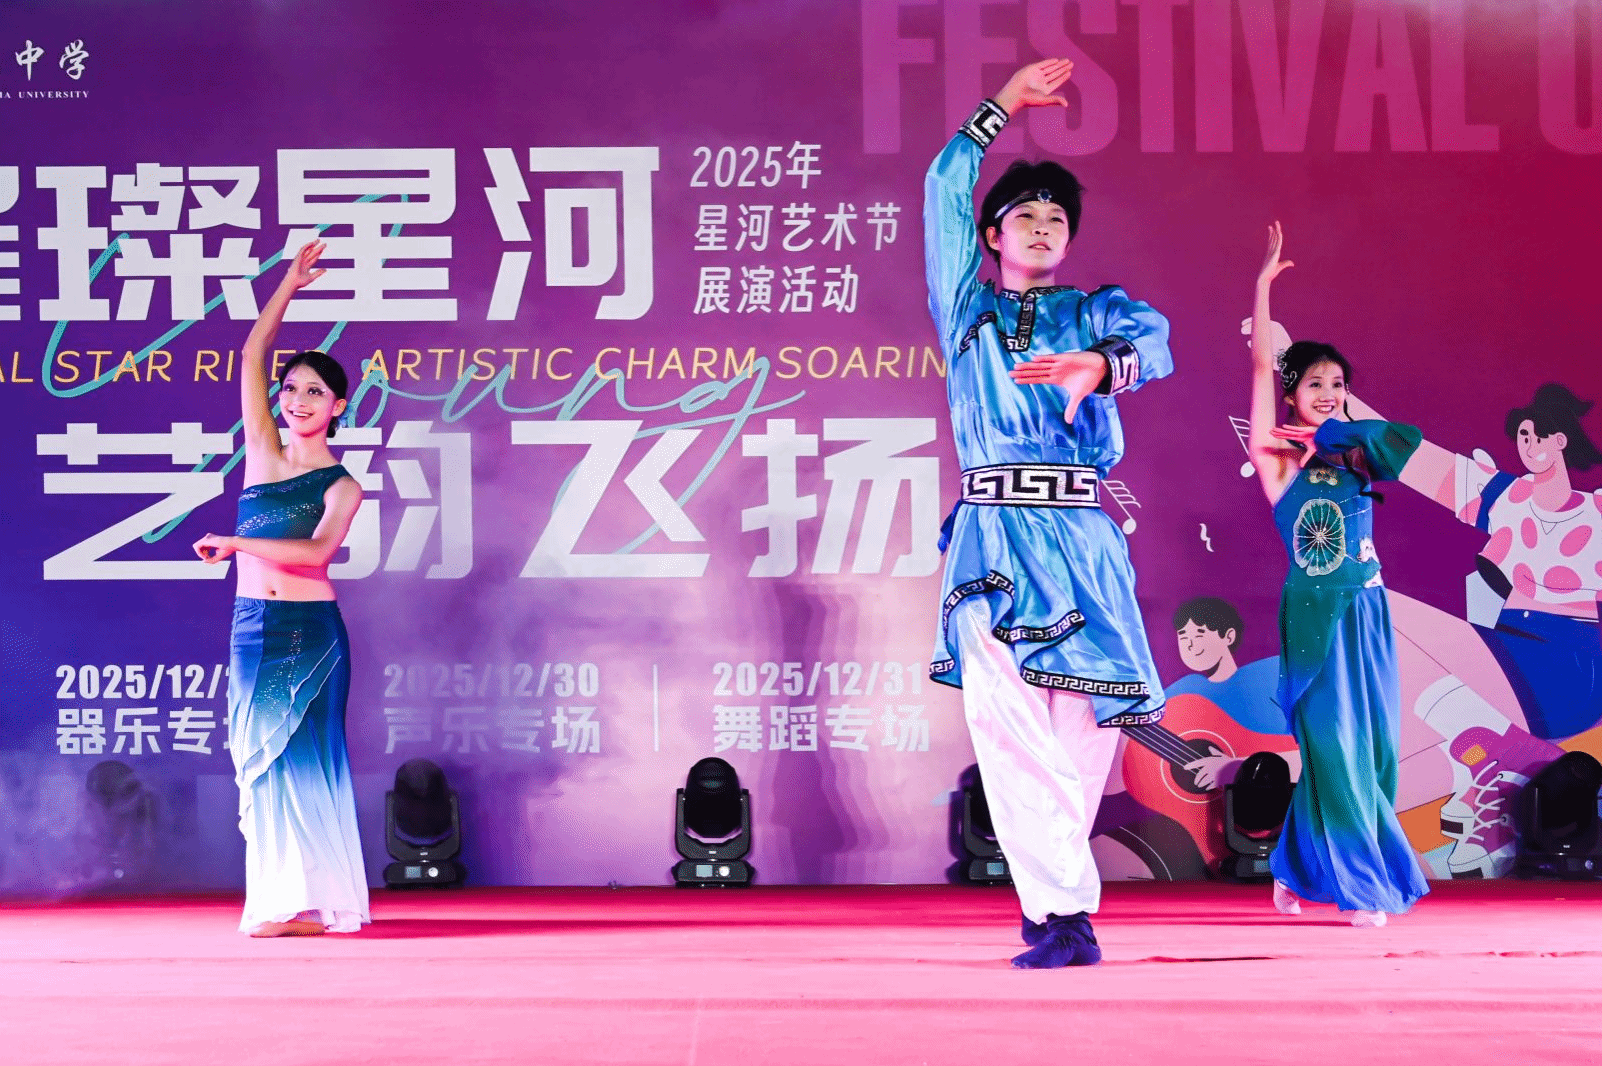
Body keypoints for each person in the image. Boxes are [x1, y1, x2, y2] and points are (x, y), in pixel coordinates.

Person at [926, 59, 1173, 968]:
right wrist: (1001, 108)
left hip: (1080, 535)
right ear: (993, 233)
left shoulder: (1095, 311)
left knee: (1084, 728)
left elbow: (1154, 339)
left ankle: (1056, 903)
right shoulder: (967, 308)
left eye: (1057, 219)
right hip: (993, 534)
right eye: (1025, 216)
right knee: (1006, 720)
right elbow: (941, 190)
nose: (1042, 227)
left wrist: (1097, 366)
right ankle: (1066, 914)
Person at [1245, 222, 1429, 927]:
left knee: (1372, 753)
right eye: (1315, 384)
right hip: (1315, 622)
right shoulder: (1276, 461)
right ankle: (1363, 885)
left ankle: (1294, 870)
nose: (1328, 392)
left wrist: (1334, 431)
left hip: (1370, 616)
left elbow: (1403, 441)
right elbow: (1260, 369)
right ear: (1292, 392)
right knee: (1334, 749)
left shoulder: (1355, 454)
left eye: (1339, 385)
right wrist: (1262, 288)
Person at [192, 241, 370, 937]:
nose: (297, 400)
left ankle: (314, 903)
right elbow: (251, 355)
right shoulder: (262, 450)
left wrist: (239, 543)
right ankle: (286, 901)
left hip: (309, 634)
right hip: (250, 629)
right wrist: (288, 285)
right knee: (259, 767)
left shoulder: (342, 485)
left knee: (305, 767)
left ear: (338, 405)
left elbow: (316, 554)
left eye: (314, 392)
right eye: (291, 388)